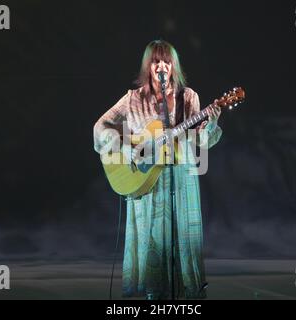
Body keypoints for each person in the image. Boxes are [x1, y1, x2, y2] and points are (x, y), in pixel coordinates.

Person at [93, 40, 222, 299]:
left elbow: (200, 141)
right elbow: (101, 127)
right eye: (155, 61)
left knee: (183, 241)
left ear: (173, 66)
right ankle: (155, 297)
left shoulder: (189, 98)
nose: (161, 66)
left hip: (182, 179)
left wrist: (210, 124)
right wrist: (124, 147)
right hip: (145, 182)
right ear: (148, 66)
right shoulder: (133, 99)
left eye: (166, 61)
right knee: (152, 242)